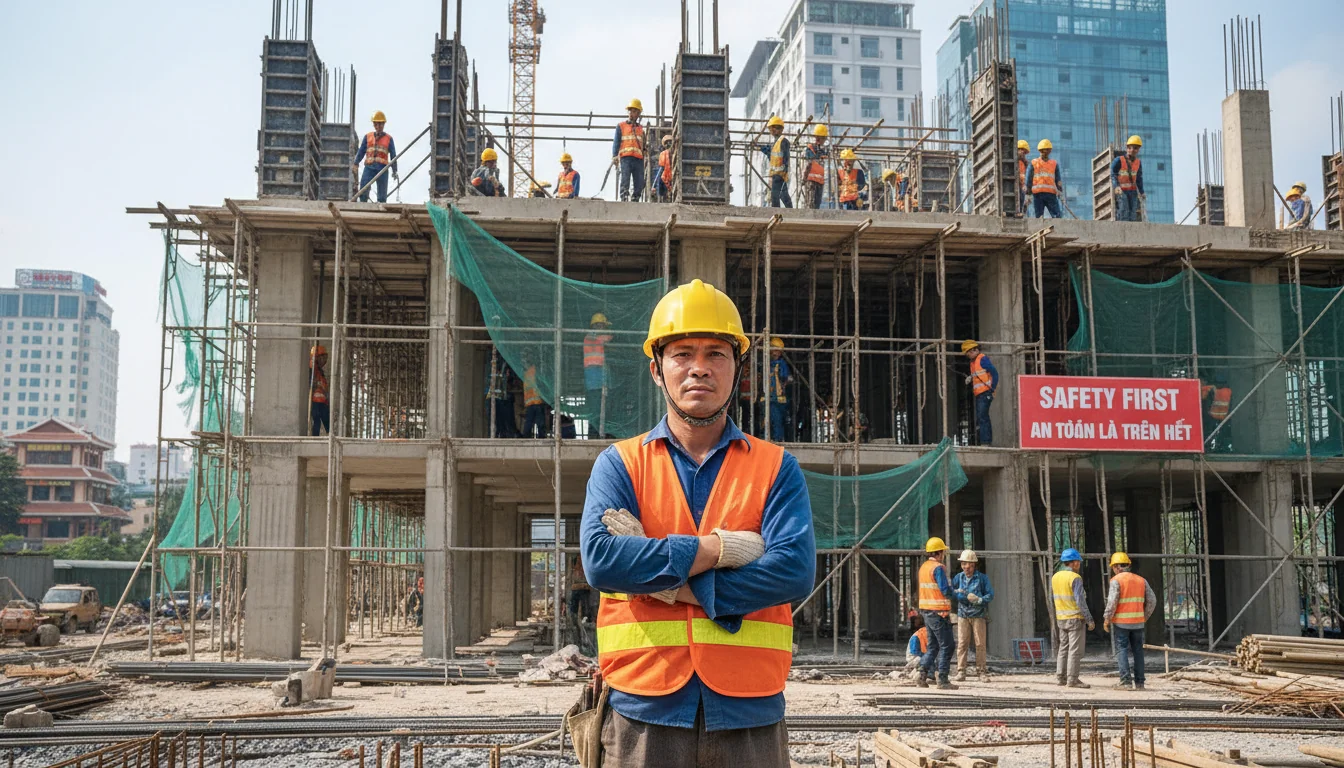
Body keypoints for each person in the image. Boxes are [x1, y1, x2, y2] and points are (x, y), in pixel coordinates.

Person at [579, 279, 815, 766]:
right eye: (682, 353)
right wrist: (715, 549)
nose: (700, 368)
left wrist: (674, 584)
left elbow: (792, 571)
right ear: (656, 370)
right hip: (644, 708)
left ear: (737, 368)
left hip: (749, 710)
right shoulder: (620, 464)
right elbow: (602, 561)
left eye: (717, 353)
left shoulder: (775, 466)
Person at [1103, 552, 1156, 690]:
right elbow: (1152, 601)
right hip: (1138, 623)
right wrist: (1144, 616)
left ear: (1116, 567)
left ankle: (1125, 681)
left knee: (1122, 650)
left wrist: (1107, 619)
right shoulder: (1141, 580)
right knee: (1138, 651)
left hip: (1121, 623)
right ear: (1128, 565)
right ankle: (1140, 683)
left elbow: (1112, 602)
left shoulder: (1116, 580)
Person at [918, 537, 957, 690]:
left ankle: (922, 675)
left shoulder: (924, 567)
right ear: (940, 552)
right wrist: (959, 594)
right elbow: (945, 590)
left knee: (933, 646)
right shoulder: (938, 568)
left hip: (927, 612)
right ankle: (942, 679)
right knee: (948, 645)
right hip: (938, 613)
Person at [1052, 548, 1094, 688]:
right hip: (1075, 618)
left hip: (1061, 618)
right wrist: (1089, 619)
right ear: (1074, 562)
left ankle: (1060, 678)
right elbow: (1080, 600)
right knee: (1075, 650)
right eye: (1078, 562)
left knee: (1063, 648)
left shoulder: (1055, 577)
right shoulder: (1075, 578)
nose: (1079, 565)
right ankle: (1072, 680)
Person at [952, 549, 994, 682]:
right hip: (963, 614)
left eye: (969, 564)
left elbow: (990, 594)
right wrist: (961, 596)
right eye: (964, 564)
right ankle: (961, 671)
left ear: (974, 565)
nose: (966, 567)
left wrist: (979, 600)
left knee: (980, 643)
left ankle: (981, 671)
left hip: (978, 615)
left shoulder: (982, 578)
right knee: (962, 643)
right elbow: (951, 592)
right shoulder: (958, 578)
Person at [353, 111, 398, 203]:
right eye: (376, 124)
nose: (378, 126)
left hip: (382, 169)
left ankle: (381, 209)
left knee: (382, 195)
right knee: (363, 189)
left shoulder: (389, 139)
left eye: (380, 124)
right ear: (374, 124)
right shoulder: (368, 137)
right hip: (369, 167)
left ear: (383, 124)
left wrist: (394, 170)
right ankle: (363, 206)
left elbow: (393, 156)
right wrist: (356, 163)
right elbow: (361, 151)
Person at [962, 340, 998, 446]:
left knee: (983, 417)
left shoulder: (982, 359)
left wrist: (992, 389)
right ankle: (985, 441)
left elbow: (994, 373)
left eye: (969, 352)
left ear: (975, 350)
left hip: (985, 393)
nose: (968, 355)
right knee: (982, 417)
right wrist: (970, 378)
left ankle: (986, 442)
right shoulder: (973, 362)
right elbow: (980, 374)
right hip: (980, 394)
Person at [585, 313, 615, 438]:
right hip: (594, 377)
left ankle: (601, 433)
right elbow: (608, 338)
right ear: (597, 325)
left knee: (603, 408)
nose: (604, 329)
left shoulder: (595, 337)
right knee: (595, 409)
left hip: (599, 376)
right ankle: (594, 435)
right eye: (603, 326)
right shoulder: (591, 337)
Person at [612, 99, 647, 202]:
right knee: (625, 179)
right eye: (631, 111)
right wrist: (615, 155)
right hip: (626, 158)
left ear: (639, 113)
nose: (633, 113)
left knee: (639, 181)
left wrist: (645, 150)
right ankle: (624, 197)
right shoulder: (621, 126)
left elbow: (643, 144)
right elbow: (616, 142)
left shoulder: (640, 128)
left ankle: (636, 198)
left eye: (636, 111)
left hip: (638, 159)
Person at [759, 116, 793, 208]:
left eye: (776, 128)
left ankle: (776, 212)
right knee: (783, 194)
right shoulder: (776, 143)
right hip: (776, 173)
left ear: (781, 129)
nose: (773, 130)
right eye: (772, 128)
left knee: (775, 195)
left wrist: (785, 171)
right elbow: (771, 154)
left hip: (780, 173)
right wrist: (760, 147)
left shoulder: (783, 141)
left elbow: (786, 157)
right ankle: (790, 210)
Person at [486, 348, 519, 438]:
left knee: (504, 421)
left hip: (502, 398)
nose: (507, 374)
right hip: (497, 398)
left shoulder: (505, 365)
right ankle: (497, 435)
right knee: (497, 421)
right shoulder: (496, 367)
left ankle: (502, 434)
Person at [1111, 135, 1145, 222]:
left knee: (1133, 213)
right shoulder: (1119, 160)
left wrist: (1142, 192)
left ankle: (1131, 232)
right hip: (1122, 190)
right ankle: (1122, 231)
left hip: (1132, 191)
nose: (1132, 150)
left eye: (1135, 148)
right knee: (1123, 211)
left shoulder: (1138, 163)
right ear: (1127, 148)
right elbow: (1113, 174)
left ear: (1138, 149)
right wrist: (1116, 186)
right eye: (1130, 148)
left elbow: (1138, 178)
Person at [764, 337, 791, 441]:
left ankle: (777, 441)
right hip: (769, 397)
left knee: (777, 420)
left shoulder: (781, 364)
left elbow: (786, 378)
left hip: (777, 399)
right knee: (768, 421)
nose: (776, 353)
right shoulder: (767, 363)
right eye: (774, 350)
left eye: (778, 351)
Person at [1031, 139, 1064, 219]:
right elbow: (1029, 179)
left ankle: (1057, 230)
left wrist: (1060, 191)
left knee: (1057, 217)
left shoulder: (1054, 164)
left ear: (1049, 151)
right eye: (1043, 150)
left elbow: (1058, 180)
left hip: (1050, 194)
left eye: (1047, 150)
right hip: (1038, 194)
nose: (1045, 152)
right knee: (1039, 217)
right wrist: (1028, 194)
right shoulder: (1034, 163)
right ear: (1040, 151)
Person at [1200, 376, 1231, 452]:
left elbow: (1206, 404)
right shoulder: (1226, 391)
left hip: (1210, 417)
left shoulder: (1209, 390)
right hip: (1219, 417)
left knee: (1209, 433)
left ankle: (1208, 447)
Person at [803, 125, 830, 209]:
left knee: (817, 204)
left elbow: (827, 156)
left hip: (820, 181)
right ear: (818, 138)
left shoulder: (823, 150)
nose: (824, 140)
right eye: (823, 138)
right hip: (811, 181)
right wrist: (804, 178)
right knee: (810, 204)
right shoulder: (810, 148)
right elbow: (809, 161)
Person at [521, 354, 548, 438]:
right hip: (535, 401)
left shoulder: (527, 372)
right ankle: (540, 438)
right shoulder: (531, 371)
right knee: (538, 423)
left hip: (533, 402)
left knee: (531, 423)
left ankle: (527, 439)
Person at [308, 345, 330, 436]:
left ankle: (330, 436)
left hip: (322, 402)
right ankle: (314, 439)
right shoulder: (313, 369)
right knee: (316, 422)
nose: (324, 360)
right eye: (322, 357)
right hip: (315, 402)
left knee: (327, 422)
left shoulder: (320, 371)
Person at [903, 610, 929, 680]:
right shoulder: (916, 636)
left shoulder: (921, 634)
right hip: (913, 659)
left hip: (920, 657)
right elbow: (914, 652)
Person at [569, 555, 594, 622]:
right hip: (578, 588)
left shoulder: (586, 566)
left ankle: (585, 617)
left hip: (583, 588)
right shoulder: (576, 569)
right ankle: (575, 618)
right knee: (575, 606)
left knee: (585, 605)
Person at [654, 136, 674, 201]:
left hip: (670, 176)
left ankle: (664, 196)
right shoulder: (664, 153)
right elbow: (662, 167)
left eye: (670, 142)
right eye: (667, 143)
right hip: (667, 177)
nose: (669, 144)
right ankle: (664, 196)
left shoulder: (675, 153)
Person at [1017, 140, 1031, 217]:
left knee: (1022, 196)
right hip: (1017, 184)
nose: (1023, 153)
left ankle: (1020, 210)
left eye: (1024, 152)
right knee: (1020, 196)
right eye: (1022, 150)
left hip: (1021, 184)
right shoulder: (1014, 161)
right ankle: (1018, 210)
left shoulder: (1023, 163)